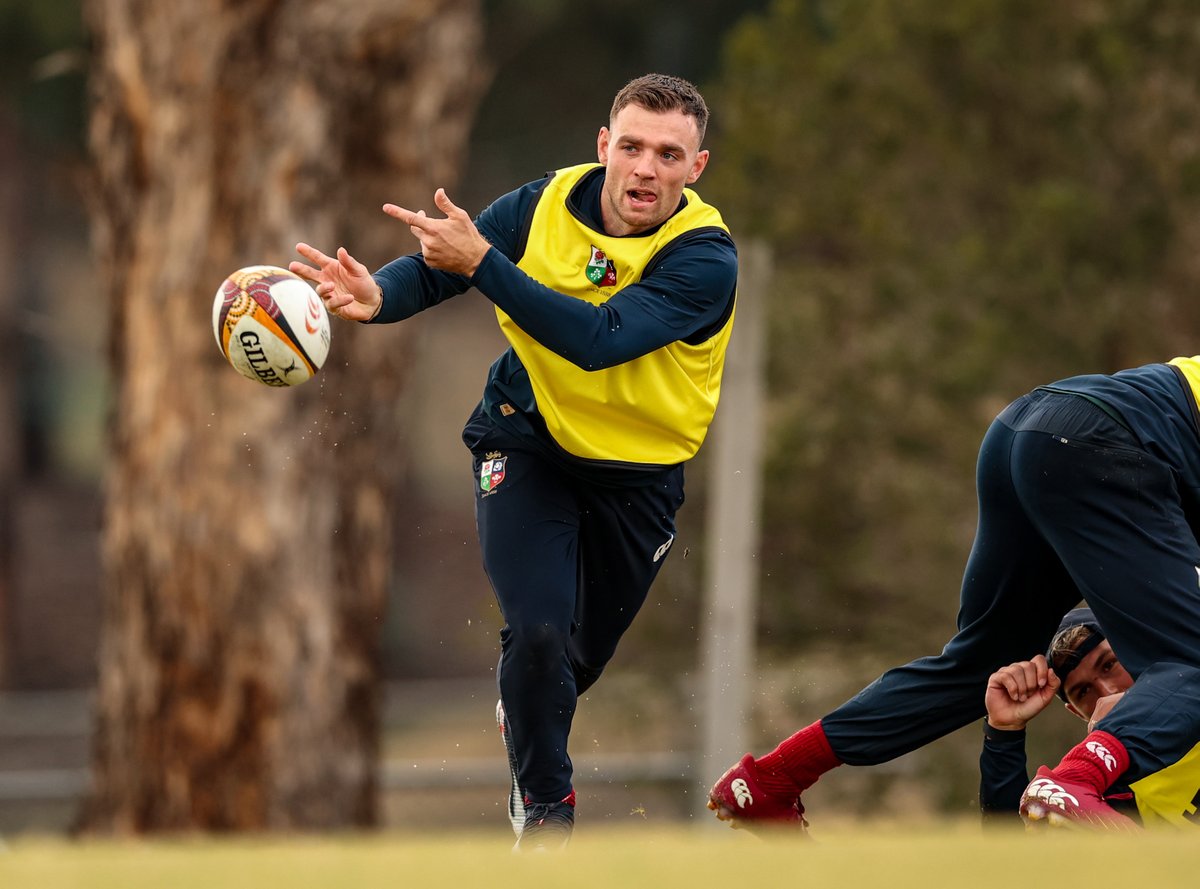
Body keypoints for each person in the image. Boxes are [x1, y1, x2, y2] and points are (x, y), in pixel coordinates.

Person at [289, 73, 738, 850]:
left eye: (669, 155)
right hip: (526, 440)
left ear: (696, 169)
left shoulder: (705, 259)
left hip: (640, 479)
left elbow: (598, 340)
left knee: (563, 671)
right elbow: (437, 267)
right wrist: (378, 295)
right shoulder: (540, 206)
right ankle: (546, 814)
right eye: (630, 147)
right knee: (533, 637)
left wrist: (482, 263)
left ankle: (526, 708)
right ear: (603, 147)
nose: (645, 169)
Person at [708, 356, 1200, 831]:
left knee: (982, 663)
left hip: (1024, 432)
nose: (1106, 695)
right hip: (1104, 438)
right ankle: (1077, 779)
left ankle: (771, 778)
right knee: (1190, 659)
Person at [983, 607, 1200, 828]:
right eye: (1083, 691)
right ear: (1077, 712)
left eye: (1109, 665)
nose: (1107, 690)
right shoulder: (1105, 793)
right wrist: (1004, 733)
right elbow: (1019, 853)